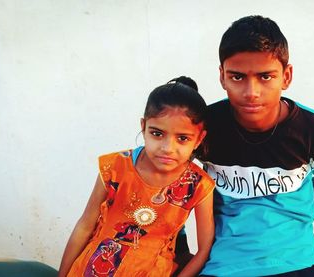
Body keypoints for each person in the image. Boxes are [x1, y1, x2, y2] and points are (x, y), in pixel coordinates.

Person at [194, 15, 314, 276]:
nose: (252, 91)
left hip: (298, 263)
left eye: (265, 77)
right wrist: (179, 254)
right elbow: (165, 181)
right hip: (224, 265)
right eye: (238, 77)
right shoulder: (203, 128)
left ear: (286, 76)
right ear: (222, 77)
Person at [58, 76, 215, 277]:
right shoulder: (115, 167)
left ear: (198, 139)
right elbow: (85, 225)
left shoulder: (199, 186)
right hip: (92, 268)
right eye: (157, 134)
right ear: (143, 127)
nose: (167, 148)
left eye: (182, 138)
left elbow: (204, 250)